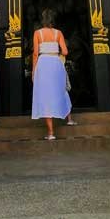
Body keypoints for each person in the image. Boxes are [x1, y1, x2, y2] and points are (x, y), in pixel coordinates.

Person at [32, 8, 76, 139]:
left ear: (42, 20)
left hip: (43, 62)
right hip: (56, 63)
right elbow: (66, 51)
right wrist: (56, 52)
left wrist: (34, 71)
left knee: (45, 94)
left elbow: (35, 53)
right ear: (53, 20)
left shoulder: (37, 33)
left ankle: (51, 133)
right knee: (61, 90)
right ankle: (69, 120)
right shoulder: (58, 33)